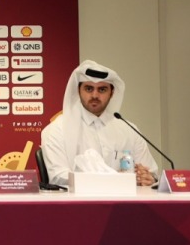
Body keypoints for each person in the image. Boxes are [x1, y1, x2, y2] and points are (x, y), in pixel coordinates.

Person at [40, 59, 158, 187]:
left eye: (102, 90)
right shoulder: (57, 130)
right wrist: (114, 180)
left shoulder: (129, 130)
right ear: (78, 91)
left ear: (112, 93)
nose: (95, 95)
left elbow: (151, 171)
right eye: (89, 89)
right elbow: (59, 177)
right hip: (79, 204)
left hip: (125, 204)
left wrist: (149, 178)